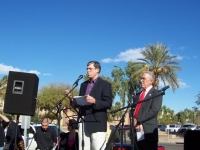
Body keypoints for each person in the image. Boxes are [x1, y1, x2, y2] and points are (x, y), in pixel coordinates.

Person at [66, 60, 112, 150]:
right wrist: (72, 99)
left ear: (97, 69)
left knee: (97, 147)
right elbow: (80, 103)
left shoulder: (105, 85)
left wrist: (95, 101)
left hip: (97, 122)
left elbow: (108, 103)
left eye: (90, 69)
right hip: (83, 121)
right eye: (87, 69)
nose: (87, 71)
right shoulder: (83, 85)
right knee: (83, 147)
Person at [133, 71, 163, 150]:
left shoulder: (156, 93)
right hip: (135, 131)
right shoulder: (137, 95)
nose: (141, 80)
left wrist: (138, 120)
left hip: (148, 132)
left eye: (144, 78)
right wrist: (133, 120)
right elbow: (133, 109)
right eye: (141, 78)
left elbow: (154, 110)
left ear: (151, 81)